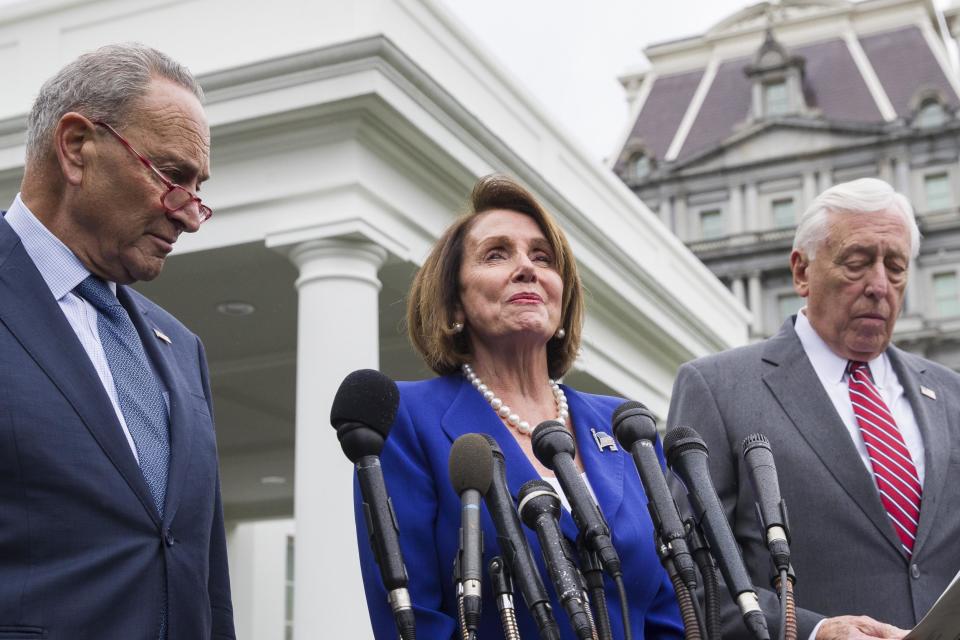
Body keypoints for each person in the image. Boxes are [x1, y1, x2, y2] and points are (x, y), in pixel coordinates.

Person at [355, 175, 684, 639]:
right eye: (496, 254)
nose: (527, 268)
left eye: (542, 257)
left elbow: (671, 609)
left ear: (562, 296)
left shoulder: (624, 425)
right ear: (453, 304)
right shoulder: (407, 419)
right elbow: (413, 621)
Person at [0, 44, 235, 639]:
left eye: (197, 188)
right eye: (171, 175)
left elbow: (205, 578)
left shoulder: (182, 350)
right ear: (77, 147)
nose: (187, 214)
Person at [667, 178, 960, 640]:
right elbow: (694, 574)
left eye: (896, 267)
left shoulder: (951, 393)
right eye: (857, 263)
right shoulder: (717, 388)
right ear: (801, 272)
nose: (880, 286)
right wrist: (814, 631)